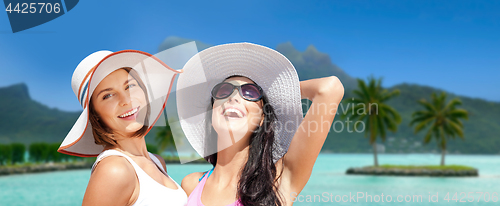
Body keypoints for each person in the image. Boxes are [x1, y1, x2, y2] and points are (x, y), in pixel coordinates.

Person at [176, 43, 344, 206]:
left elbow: (329, 88)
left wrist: (273, 94)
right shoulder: (191, 185)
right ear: (212, 112)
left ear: (262, 118)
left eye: (250, 93)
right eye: (224, 91)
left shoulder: (279, 182)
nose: (233, 97)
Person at [58, 50, 188, 206]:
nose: (126, 100)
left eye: (130, 86)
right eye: (108, 95)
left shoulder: (157, 161)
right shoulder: (114, 170)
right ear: (95, 115)